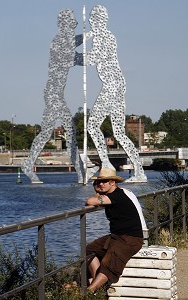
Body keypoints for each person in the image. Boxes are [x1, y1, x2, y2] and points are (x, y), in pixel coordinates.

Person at [21, 9, 97, 183]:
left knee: (49, 132)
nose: (75, 24)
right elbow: (75, 58)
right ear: (63, 24)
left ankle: (30, 163)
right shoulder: (58, 42)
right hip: (53, 93)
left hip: (55, 93)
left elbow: (75, 44)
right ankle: (81, 173)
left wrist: (90, 35)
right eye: (72, 22)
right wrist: (94, 50)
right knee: (68, 132)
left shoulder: (65, 41)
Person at [85, 5, 147, 183]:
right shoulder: (106, 35)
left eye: (93, 18)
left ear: (99, 20)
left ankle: (106, 163)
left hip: (112, 85)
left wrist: (75, 58)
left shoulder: (103, 37)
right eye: (90, 18)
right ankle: (139, 171)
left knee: (92, 125)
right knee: (119, 133)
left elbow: (93, 58)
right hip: (117, 84)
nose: (90, 21)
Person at [85, 168, 147, 292]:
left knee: (110, 263)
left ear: (112, 182)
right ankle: (96, 282)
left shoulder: (117, 195)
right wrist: (99, 191)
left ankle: (90, 292)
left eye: (104, 181)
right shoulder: (117, 194)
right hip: (117, 236)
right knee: (88, 251)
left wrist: (96, 192)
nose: (100, 184)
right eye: (98, 182)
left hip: (131, 238)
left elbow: (90, 201)